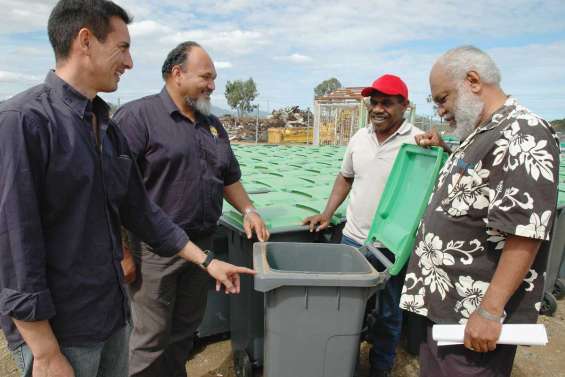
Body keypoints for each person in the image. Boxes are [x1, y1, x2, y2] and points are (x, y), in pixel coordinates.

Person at [0, 2, 254, 377]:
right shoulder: (24, 122)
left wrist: (206, 261)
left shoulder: (106, 127)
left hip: (112, 317)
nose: (131, 62)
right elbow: (12, 244)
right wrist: (45, 350)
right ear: (85, 41)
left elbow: (142, 211)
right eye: (123, 47)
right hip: (63, 334)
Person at [399, 46, 559, 377]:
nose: (440, 111)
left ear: (472, 80)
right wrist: (444, 148)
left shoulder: (524, 132)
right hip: (446, 309)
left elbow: (525, 231)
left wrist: (489, 312)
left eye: (442, 99)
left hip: (472, 318)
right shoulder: (483, 132)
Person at [113, 41, 269, 377]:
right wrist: (121, 250)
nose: (212, 85)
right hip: (153, 251)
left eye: (214, 78)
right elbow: (112, 192)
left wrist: (249, 210)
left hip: (202, 247)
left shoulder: (212, 125)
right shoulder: (137, 118)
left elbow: (228, 177)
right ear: (177, 73)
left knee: (184, 329)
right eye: (206, 77)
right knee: (149, 336)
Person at [303, 74, 423, 377]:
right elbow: (345, 177)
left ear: (404, 106)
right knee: (345, 309)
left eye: (387, 103)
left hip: (392, 246)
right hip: (353, 240)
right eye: (375, 102)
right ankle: (343, 363)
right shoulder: (359, 137)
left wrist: (443, 149)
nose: (378, 109)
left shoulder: (418, 142)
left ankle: (380, 368)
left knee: (388, 311)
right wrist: (327, 213)